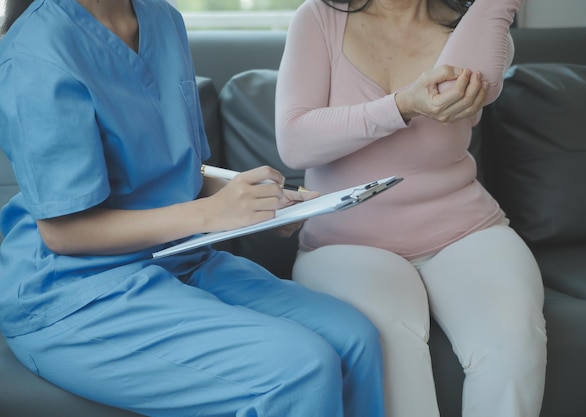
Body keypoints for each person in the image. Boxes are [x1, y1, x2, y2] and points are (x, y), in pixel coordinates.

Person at [0, 1, 387, 416]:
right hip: (78, 290)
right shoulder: (36, 52)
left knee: (355, 337)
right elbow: (64, 232)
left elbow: (182, 169)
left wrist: (257, 199)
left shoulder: (162, 19)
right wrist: (214, 214)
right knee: (301, 368)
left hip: (178, 260)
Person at [275, 0, 547, 417]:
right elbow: (295, 142)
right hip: (345, 242)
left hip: (465, 229)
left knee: (514, 341)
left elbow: (478, 86)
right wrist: (401, 106)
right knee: (389, 342)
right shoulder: (318, 17)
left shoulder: (472, 22)